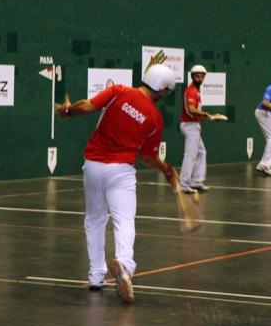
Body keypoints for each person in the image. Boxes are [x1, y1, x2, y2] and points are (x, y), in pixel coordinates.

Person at [55, 64, 180, 304]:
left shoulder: (119, 91)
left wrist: (68, 111)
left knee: (94, 220)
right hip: (121, 171)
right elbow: (147, 157)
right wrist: (167, 170)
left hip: (92, 166)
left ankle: (95, 276)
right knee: (124, 221)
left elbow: (88, 106)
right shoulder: (154, 118)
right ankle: (124, 265)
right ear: (162, 90)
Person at [179, 64, 211, 193]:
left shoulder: (196, 91)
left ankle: (197, 181)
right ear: (192, 77)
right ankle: (184, 184)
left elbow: (193, 111)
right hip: (189, 125)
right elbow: (191, 109)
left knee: (201, 152)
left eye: (202, 76)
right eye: (197, 76)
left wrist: (203, 116)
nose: (200, 78)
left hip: (194, 125)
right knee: (190, 155)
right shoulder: (191, 90)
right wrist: (205, 114)